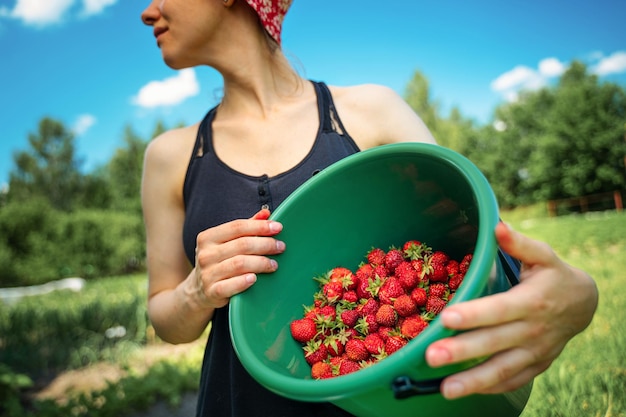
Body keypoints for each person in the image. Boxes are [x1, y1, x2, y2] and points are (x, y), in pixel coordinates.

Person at [139, 0, 599, 415]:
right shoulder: (171, 156)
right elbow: (166, 319)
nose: (148, 12)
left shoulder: (370, 111)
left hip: (396, 398)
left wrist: (580, 296)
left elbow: (488, 240)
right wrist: (196, 290)